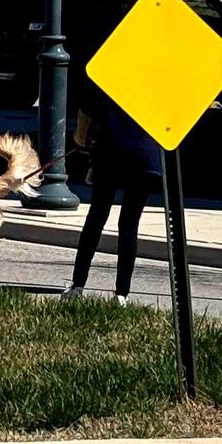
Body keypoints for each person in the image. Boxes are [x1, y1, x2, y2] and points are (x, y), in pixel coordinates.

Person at [61, 90, 160, 305]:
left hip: (110, 155)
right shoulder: (153, 83)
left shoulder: (108, 76)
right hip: (145, 158)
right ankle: (121, 294)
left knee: (95, 220)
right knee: (129, 225)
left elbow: (84, 123)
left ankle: (77, 286)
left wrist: (86, 151)